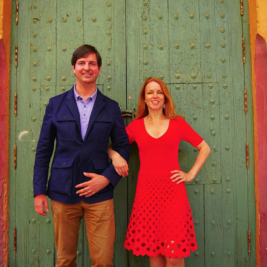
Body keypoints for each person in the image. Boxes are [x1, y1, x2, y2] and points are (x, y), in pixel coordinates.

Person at [33, 44, 130, 267]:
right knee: (65, 260)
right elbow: (43, 150)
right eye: (82, 63)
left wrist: (107, 178)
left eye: (92, 63)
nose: (87, 68)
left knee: (104, 261)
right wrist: (39, 191)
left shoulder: (111, 107)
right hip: (62, 192)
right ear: (74, 68)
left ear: (99, 68)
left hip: (100, 196)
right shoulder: (56, 105)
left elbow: (123, 147)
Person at [108, 77, 210, 267]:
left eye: (159, 92)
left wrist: (190, 174)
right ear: (144, 99)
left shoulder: (178, 124)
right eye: (150, 92)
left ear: (165, 98)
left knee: (174, 257)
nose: (155, 96)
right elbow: (111, 147)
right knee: (154, 253)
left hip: (173, 195)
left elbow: (204, 148)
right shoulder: (136, 127)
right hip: (147, 195)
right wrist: (114, 156)